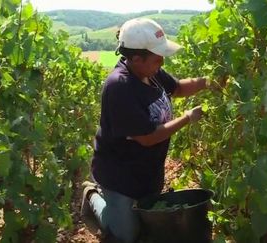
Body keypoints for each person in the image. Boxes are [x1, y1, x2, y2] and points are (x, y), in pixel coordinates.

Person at [81, 18, 210, 243]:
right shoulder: (119, 87)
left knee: (148, 224)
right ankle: (92, 195)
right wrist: (187, 118)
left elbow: (178, 88)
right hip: (119, 174)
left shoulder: (150, 72)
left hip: (147, 170)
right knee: (126, 235)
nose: (162, 61)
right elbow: (148, 137)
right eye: (157, 57)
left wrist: (208, 82)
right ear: (136, 58)